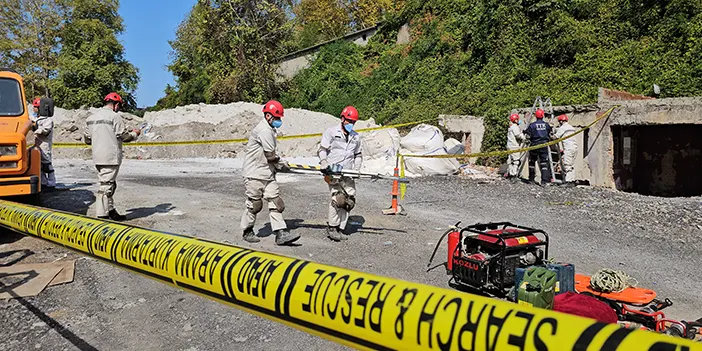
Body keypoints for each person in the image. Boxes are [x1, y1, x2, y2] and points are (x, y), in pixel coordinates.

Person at [240, 100, 299, 246]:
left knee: (276, 203)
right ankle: (247, 230)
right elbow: (271, 156)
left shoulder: (270, 129)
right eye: (277, 118)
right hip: (254, 173)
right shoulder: (264, 130)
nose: (279, 121)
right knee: (255, 205)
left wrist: (280, 165)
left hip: (268, 173)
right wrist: (283, 166)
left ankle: (280, 233)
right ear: (268, 116)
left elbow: (271, 157)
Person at [83, 92, 141, 220]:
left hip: (97, 156)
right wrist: (135, 134)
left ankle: (111, 211)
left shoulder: (90, 118)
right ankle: (102, 215)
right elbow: (124, 136)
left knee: (110, 184)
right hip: (111, 156)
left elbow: (87, 139)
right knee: (106, 186)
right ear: (115, 105)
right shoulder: (115, 117)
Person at [318, 106, 363, 242]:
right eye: (349, 121)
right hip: (334, 172)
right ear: (342, 119)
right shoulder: (331, 132)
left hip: (348, 173)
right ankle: (332, 227)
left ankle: (341, 228)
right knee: (338, 199)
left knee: (349, 201)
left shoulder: (356, 137)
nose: (351, 124)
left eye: (353, 122)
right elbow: (322, 149)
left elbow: (358, 154)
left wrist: (357, 168)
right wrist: (324, 162)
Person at [30, 98, 56, 190]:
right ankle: (44, 183)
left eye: (36, 107)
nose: (34, 109)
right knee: (39, 165)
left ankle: (51, 183)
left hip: (44, 145)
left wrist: (36, 129)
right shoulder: (35, 118)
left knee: (47, 165)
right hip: (36, 144)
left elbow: (45, 130)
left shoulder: (48, 120)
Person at [524, 108, 552, 186]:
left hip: (534, 145)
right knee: (544, 163)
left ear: (536, 116)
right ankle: (545, 181)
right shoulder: (546, 125)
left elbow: (528, 135)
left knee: (532, 162)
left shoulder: (532, 125)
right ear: (542, 116)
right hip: (544, 145)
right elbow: (550, 132)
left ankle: (531, 179)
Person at [555, 114, 578, 185]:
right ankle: (572, 180)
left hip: (568, 149)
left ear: (561, 121)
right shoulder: (571, 127)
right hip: (574, 148)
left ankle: (568, 181)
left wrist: (550, 136)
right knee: (571, 165)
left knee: (567, 165)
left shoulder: (563, 128)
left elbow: (556, 137)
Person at [505, 113, 525, 179]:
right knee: (516, 161)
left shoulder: (510, 127)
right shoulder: (515, 127)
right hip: (514, 146)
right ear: (516, 120)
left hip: (509, 146)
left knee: (510, 160)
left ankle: (510, 173)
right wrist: (524, 138)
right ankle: (513, 174)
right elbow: (518, 135)